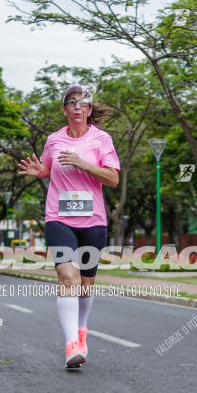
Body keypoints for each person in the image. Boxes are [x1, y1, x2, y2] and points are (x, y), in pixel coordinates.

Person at [17, 85, 119, 368]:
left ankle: (82, 329)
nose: (77, 107)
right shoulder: (53, 139)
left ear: (88, 110)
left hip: (93, 220)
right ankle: (71, 344)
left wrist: (83, 163)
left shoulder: (102, 139)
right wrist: (41, 171)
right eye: (72, 102)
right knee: (67, 277)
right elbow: (49, 167)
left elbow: (113, 179)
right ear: (64, 109)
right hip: (58, 218)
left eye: (83, 103)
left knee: (86, 285)